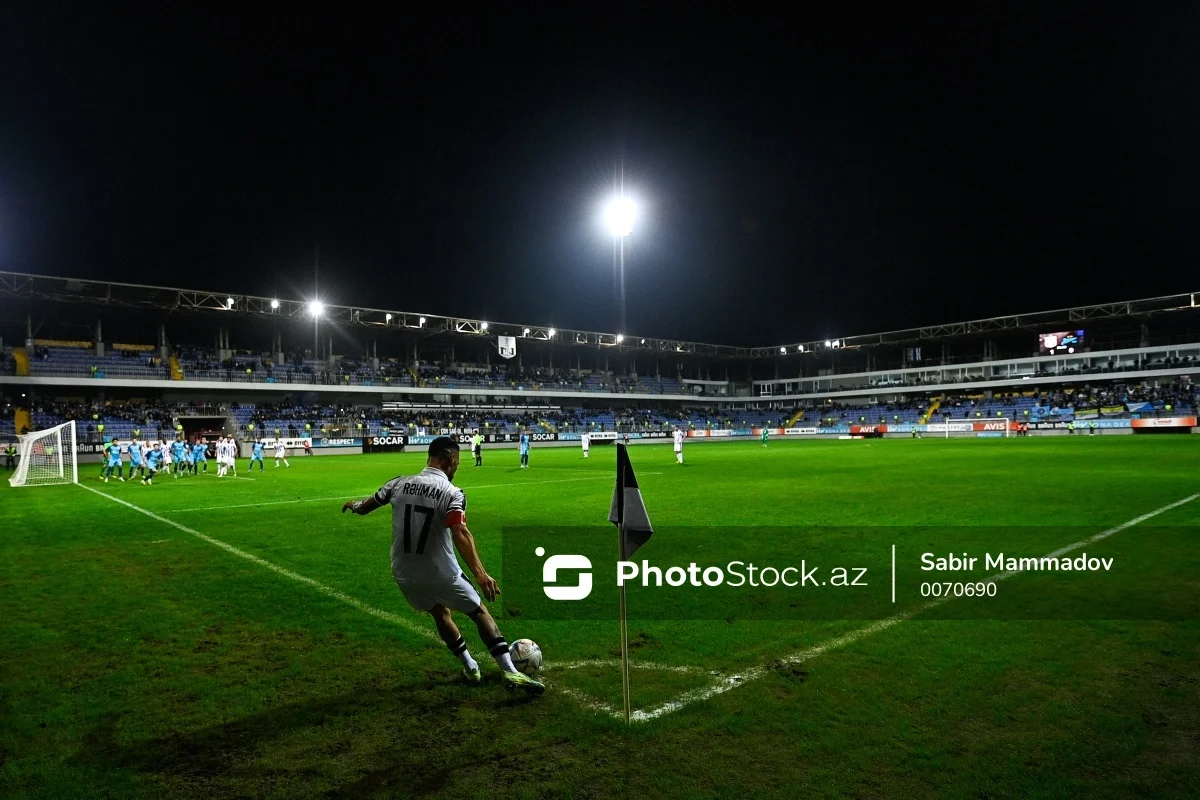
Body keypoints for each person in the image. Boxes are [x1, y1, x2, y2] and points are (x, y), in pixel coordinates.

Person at [341, 436, 544, 694]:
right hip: (442, 573)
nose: (457, 468)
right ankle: (510, 671)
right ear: (449, 460)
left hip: (404, 573)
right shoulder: (452, 493)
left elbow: (366, 506)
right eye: (457, 463)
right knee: (478, 611)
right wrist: (481, 575)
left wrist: (354, 505)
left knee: (439, 613)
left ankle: (470, 667)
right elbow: (459, 531)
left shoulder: (397, 484)